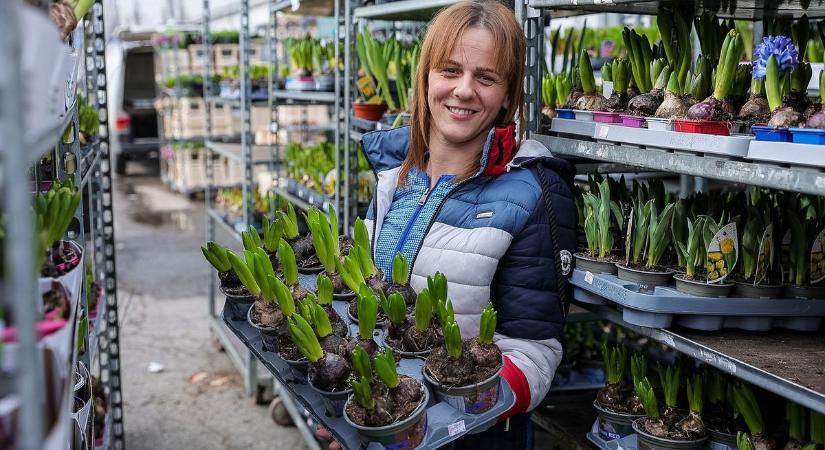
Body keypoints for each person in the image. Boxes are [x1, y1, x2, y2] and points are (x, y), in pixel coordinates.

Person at [317, 0, 577, 448]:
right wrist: (358, 409)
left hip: (472, 438)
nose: (464, 90)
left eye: (486, 77)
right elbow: (369, 300)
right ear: (426, 78)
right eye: (450, 70)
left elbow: (535, 358)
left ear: (509, 95)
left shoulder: (534, 194)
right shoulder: (395, 174)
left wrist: (425, 424)